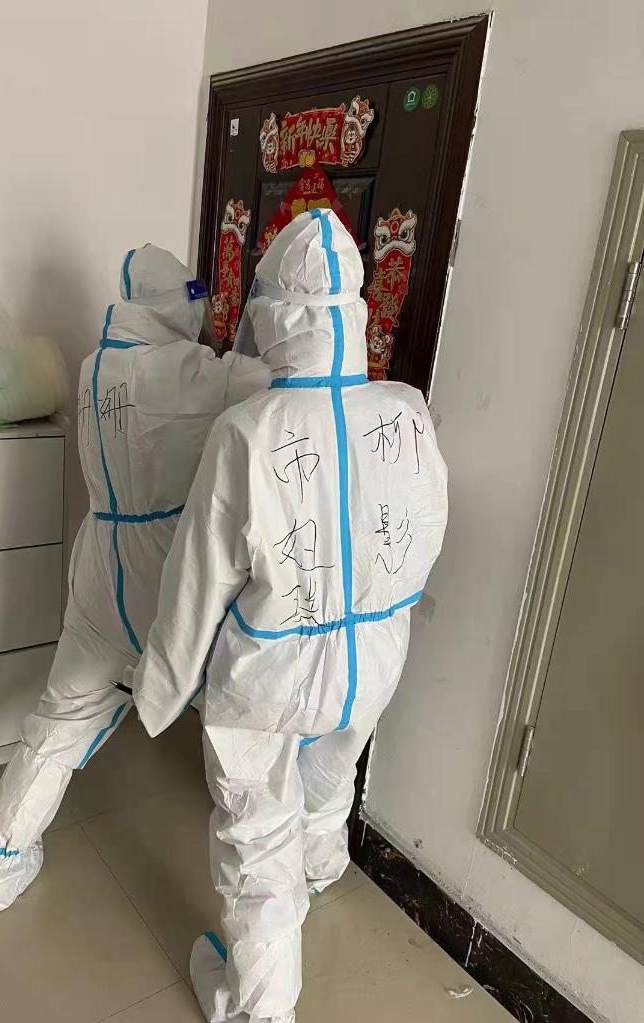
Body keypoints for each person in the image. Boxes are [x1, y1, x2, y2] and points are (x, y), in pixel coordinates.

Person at [131, 210, 448, 1023]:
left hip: (268, 675)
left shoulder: (246, 429)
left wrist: (161, 686)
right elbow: (426, 528)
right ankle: (319, 872)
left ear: (272, 314)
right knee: (328, 777)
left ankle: (260, 1006)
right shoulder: (406, 409)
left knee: (255, 836)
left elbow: (196, 580)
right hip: (373, 656)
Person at [0, 244, 269, 920]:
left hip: (101, 565)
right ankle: (275, 890)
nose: (202, 311)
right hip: (172, 575)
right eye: (194, 298)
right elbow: (281, 384)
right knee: (239, 728)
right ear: (176, 303)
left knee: (60, 717)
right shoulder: (204, 373)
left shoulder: (95, 367)